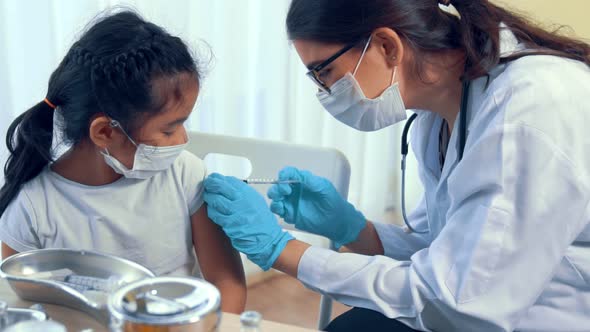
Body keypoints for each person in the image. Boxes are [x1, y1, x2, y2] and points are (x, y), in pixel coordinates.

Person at [203, 0, 590, 330]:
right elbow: (443, 248)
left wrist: (282, 250)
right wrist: (356, 229)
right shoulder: (439, 112)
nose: (324, 92)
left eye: (325, 73)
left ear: (387, 46)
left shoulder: (531, 110)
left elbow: (457, 302)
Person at [0, 11, 246, 313]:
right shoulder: (33, 208)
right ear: (104, 131)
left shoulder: (185, 175)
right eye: (169, 129)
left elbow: (228, 285)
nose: (183, 140)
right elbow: (18, 306)